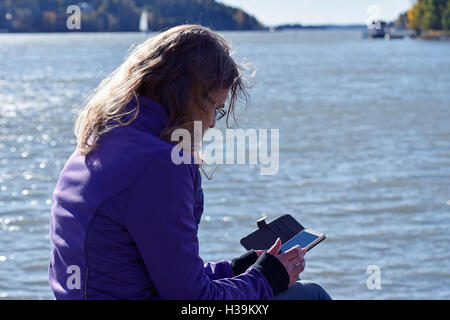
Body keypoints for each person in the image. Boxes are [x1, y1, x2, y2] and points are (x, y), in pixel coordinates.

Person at [48, 24, 331, 300]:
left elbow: (149, 276)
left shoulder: (98, 142)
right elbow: (192, 299)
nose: (211, 123)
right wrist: (268, 278)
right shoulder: (161, 164)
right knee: (309, 294)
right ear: (187, 92)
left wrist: (235, 269)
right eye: (215, 108)